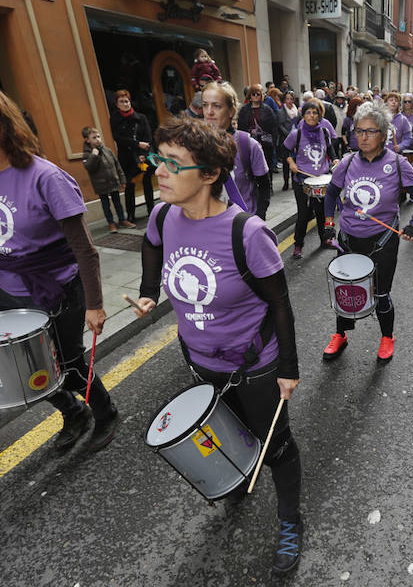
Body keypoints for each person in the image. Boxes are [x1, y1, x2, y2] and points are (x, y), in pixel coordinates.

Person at [133, 116, 303, 574]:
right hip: (200, 361)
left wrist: (289, 368)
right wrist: (150, 288)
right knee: (224, 435)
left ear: (209, 175)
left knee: (275, 445)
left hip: (257, 365)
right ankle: (235, 478)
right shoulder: (163, 215)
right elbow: (151, 245)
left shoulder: (246, 233)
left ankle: (290, 519)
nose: (159, 172)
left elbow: (281, 305)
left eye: (173, 163)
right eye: (157, 159)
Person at [0, 78, 118, 451]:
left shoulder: (46, 178)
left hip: (58, 290)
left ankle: (104, 411)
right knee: (28, 368)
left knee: (68, 363)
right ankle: (73, 412)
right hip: (6, 289)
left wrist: (95, 303)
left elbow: (85, 249)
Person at [321, 101, 413, 363]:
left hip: (382, 241)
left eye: (370, 131)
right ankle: (341, 335)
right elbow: (332, 192)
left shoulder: (399, 163)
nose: (363, 137)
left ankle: (387, 337)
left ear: (383, 134)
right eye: (359, 131)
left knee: (380, 293)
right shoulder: (346, 163)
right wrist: (328, 225)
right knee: (345, 289)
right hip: (348, 238)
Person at [203, 82, 271, 219]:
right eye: (205, 105)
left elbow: (264, 186)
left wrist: (258, 217)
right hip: (210, 225)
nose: (209, 112)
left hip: (242, 222)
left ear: (231, 111)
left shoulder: (249, 145)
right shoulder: (196, 146)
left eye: (216, 106)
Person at [284, 99, 337, 259]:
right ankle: (298, 244)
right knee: (304, 215)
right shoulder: (297, 134)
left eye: (315, 113)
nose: (312, 115)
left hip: (321, 179)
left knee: (322, 212)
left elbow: (330, 149)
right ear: (303, 115)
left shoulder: (324, 132)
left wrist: (335, 159)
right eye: (308, 112)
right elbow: (284, 150)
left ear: (319, 115)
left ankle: (324, 240)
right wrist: (291, 161)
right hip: (302, 180)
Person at [109, 89, 153, 224]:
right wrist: (137, 144)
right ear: (117, 104)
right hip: (127, 158)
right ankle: (131, 214)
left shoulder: (141, 118)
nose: (125, 104)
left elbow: (148, 138)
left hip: (142, 157)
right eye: (122, 102)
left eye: (127, 101)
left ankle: (151, 210)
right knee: (129, 185)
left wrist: (143, 154)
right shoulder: (115, 119)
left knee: (147, 182)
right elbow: (118, 138)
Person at [81, 126, 129, 233]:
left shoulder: (108, 150)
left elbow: (117, 166)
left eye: (98, 136)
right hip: (101, 184)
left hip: (113, 181)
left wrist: (122, 180)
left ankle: (122, 220)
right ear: (87, 140)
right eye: (94, 137)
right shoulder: (87, 154)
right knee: (106, 205)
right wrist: (94, 155)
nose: (98, 139)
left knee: (117, 202)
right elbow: (89, 167)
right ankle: (111, 223)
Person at [237, 84, 277, 177]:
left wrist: (274, 142)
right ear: (249, 95)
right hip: (249, 143)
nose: (255, 96)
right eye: (253, 94)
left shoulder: (267, 109)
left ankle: (268, 186)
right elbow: (241, 127)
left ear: (261, 95)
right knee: (251, 166)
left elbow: (273, 127)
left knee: (267, 166)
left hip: (265, 144)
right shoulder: (244, 110)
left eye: (258, 94)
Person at [277, 91, 299, 190]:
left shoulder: (298, 111)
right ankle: (286, 182)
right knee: (286, 162)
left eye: (291, 99)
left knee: (295, 160)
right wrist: (290, 135)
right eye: (287, 99)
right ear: (284, 100)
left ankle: (294, 181)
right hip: (285, 139)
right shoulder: (281, 111)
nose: (289, 101)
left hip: (296, 139)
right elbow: (280, 126)